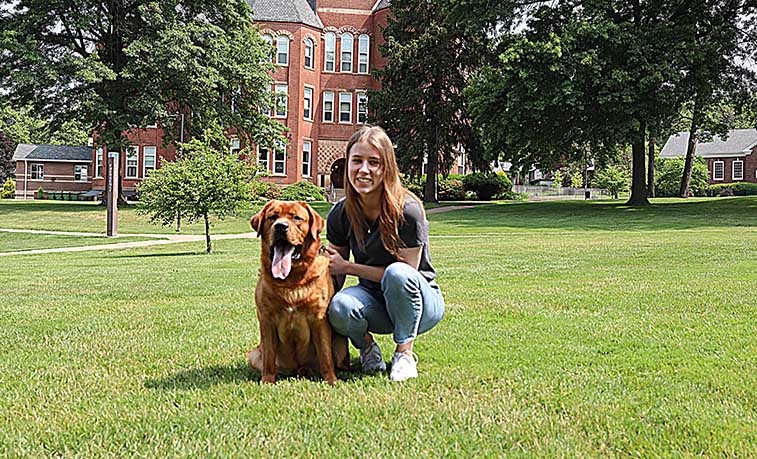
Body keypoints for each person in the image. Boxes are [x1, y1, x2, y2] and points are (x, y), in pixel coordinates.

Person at [325, 126, 445, 382]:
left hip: (420, 303)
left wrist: (349, 267)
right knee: (340, 306)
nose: (363, 169)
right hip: (374, 302)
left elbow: (406, 274)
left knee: (397, 273)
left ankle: (404, 354)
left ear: (387, 167)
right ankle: (368, 349)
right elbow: (332, 272)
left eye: (374, 162)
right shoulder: (340, 213)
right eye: (357, 161)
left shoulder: (408, 211)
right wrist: (285, 274)